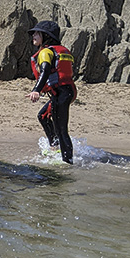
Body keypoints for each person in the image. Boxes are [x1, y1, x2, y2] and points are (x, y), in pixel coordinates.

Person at [26, 20, 77, 164]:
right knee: (43, 116)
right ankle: (55, 148)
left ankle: (67, 163)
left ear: (46, 36)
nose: (34, 36)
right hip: (65, 92)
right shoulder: (59, 50)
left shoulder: (45, 52)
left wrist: (36, 90)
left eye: (37, 33)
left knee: (62, 130)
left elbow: (45, 71)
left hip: (61, 93)